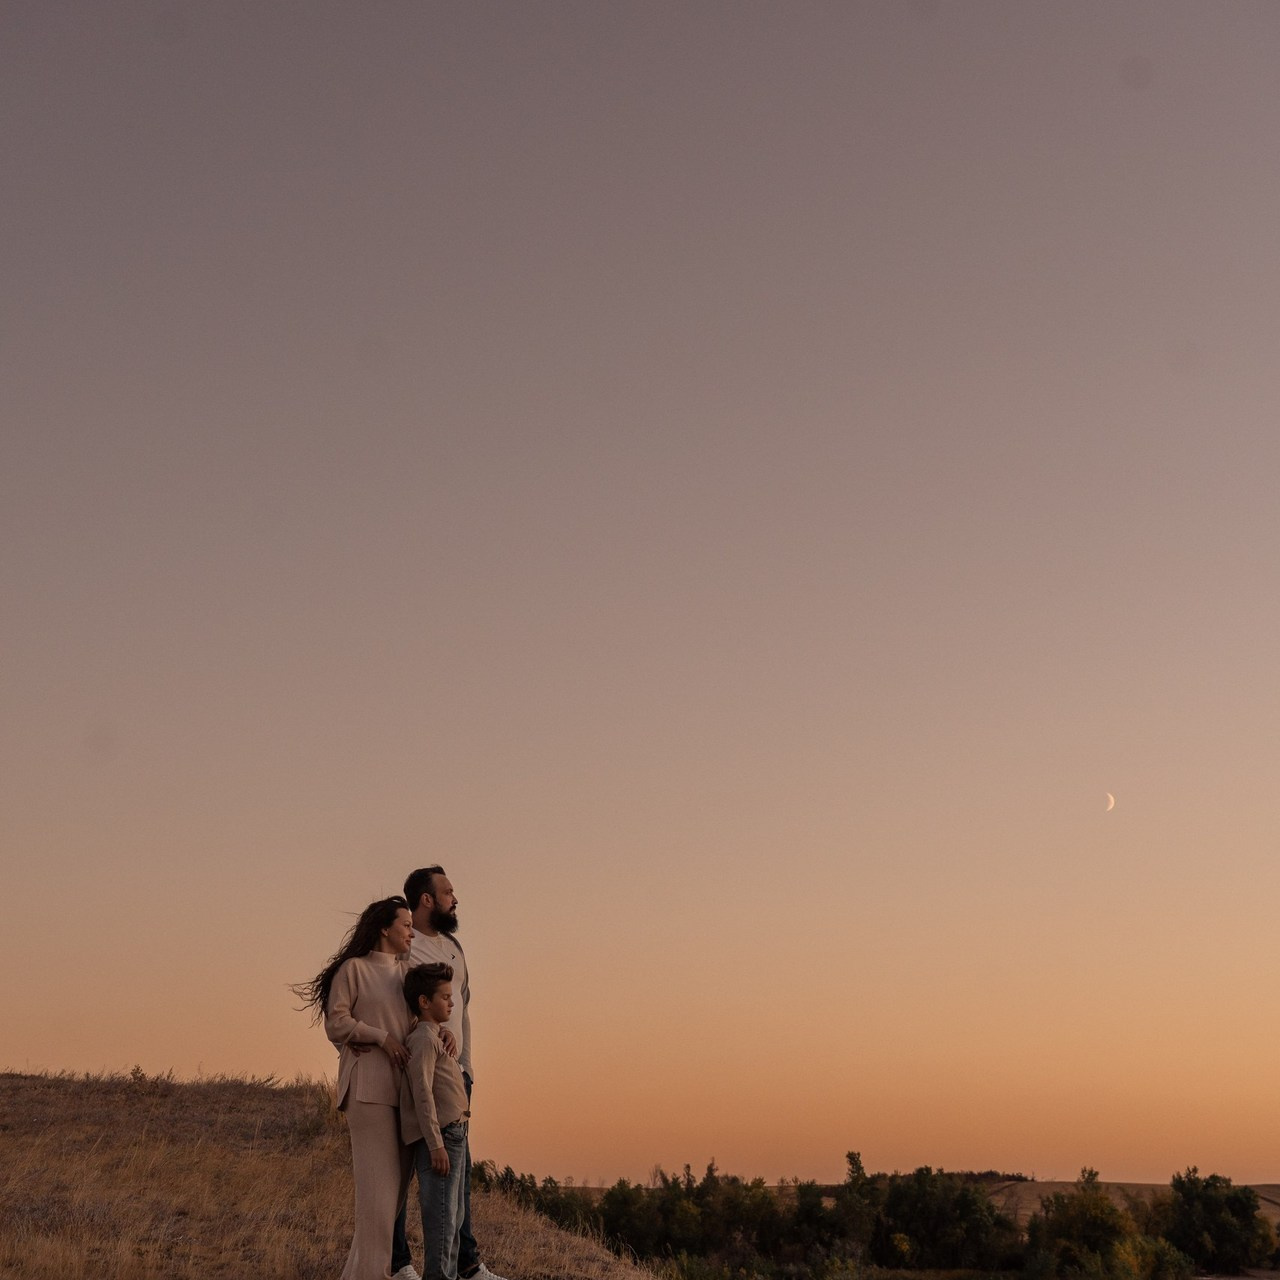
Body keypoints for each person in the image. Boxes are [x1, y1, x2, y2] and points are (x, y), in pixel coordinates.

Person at [391, 866, 507, 1280]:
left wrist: (467, 1065)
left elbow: (464, 1007)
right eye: (448, 892)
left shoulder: (454, 946)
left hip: (457, 1073)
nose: (454, 899)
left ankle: (468, 1264)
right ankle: (399, 1261)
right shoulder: (404, 944)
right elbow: (396, 1006)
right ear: (426, 899)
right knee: (414, 1169)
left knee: (459, 1175)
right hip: (422, 1069)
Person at [296, 897, 416, 1280]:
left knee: (392, 1202)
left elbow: (421, 1020)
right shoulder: (354, 970)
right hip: (367, 1090)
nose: (412, 932)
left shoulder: (408, 973)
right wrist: (379, 1037)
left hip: (405, 1093)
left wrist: (441, 1033)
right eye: (405, 925)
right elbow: (336, 1023)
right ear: (385, 928)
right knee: (377, 1201)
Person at [400, 963, 470, 1280]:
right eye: (444, 997)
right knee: (441, 1222)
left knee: (453, 1220)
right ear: (424, 1002)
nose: (451, 1003)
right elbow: (422, 1094)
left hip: (455, 1133)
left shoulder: (437, 1037)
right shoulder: (423, 1041)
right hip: (441, 1137)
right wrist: (436, 1144)